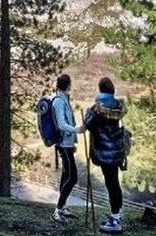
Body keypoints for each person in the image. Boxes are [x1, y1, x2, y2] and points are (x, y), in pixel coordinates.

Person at [84, 76, 127, 233]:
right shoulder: (116, 106)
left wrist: (89, 111)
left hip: (104, 152)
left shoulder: (99, 108)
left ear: (100, 89)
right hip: (116, 150)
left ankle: (115, 220)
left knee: (111, 184)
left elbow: (88, 123)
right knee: (114, 182)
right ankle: (117, 214)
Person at [51, 73, 85, 224]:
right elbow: (61, 124)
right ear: (68, 85)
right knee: (73, 177)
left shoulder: (64, 99)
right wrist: (78, 130)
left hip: (68, 144)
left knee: (66, 176)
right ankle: (57, 210)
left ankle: (62, 207)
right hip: (64, 145)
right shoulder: (59, 101)